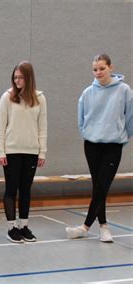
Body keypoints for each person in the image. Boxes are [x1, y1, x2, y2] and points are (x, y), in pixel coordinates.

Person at [66, 54, 133, 243]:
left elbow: (130, 117)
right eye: (95, 69)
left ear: (111, 67)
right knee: (98, 187)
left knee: (102, 186)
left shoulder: (124, 90)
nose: (98, 73)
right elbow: (81, 119)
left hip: (113, 145)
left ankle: (85, 226)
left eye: (102, 68)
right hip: (92, 145)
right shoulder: (88, 92)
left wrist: (123, 135)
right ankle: (103, 227)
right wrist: (87, 133)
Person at [0, 61, 47, 243]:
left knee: (26, 190)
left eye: (20, 77)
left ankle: (23, 225)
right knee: (11, 189)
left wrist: (42, 153)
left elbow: (42, 128)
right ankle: (12, 228)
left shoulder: (40, 98)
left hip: (31, 151)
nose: (17, 80)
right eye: (15, 77)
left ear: (29, 78)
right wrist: (0, 151)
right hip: (11, 151)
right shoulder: (7, 97)